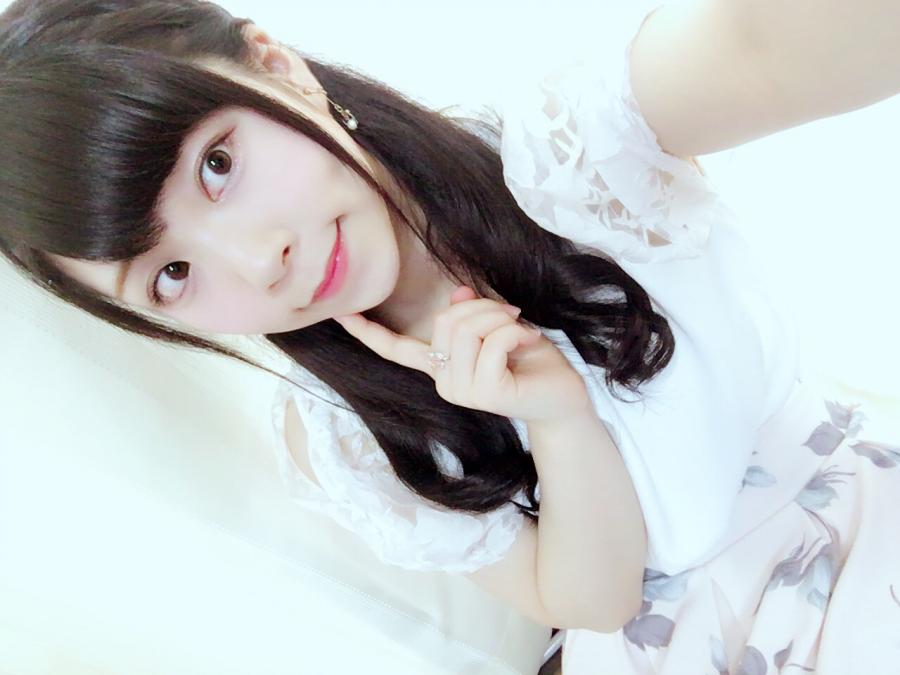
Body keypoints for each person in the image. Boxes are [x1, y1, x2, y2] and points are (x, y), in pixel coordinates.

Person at [1, 0, 897, 672]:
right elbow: (593, 600)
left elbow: (762, 50)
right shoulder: (343, 436)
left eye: (218, 164)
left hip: (858, 532)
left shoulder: (566, 150)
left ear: (275, 66)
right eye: (170, 275)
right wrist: (559, 421)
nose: (257, 261)